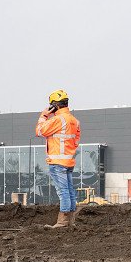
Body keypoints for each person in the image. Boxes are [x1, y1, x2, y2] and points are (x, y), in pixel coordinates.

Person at [34, 89, 82, 229]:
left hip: (57, 162)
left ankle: (62, 222)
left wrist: (44, 115)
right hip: (68, 161)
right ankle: (71, 221)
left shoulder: (57, 120)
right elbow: (76, 142)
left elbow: (40, 131)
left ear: (55, 105)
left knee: (63, 192)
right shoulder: (74, 121)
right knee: (69, 190)